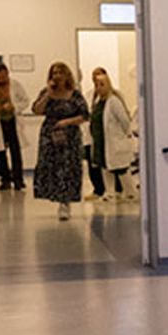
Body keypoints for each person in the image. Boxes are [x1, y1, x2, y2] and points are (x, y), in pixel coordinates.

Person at [31, 62, 88, 221]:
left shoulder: (75, 95)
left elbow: (84, 115)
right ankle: (55, 196)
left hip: (70, 136)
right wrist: (48, 94)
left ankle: (65, 203)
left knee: (68, 168)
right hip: (49, 136)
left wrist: (67, 122)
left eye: (60, 72)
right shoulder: (46, 92)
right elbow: (37, 110)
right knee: (51, 167)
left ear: (66, 75)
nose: (57, 76)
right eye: (54, 73)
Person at [89, 67, 137, 201]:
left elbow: (125, 121)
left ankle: (131, 193)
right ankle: (110, 193)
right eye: (96, 85)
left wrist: (123, 135)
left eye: (102, 85)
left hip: (114, 140)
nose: (99, 88)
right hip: (101, 140)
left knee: (121, 168)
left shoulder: (114, 101)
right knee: (105, 166)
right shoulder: (98, 102)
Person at [0, 63, 29, 191]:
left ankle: (18, 180)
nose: (1, 79)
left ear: (7, 73)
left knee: (15, 152)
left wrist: (14, 106)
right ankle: (5, 179)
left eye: (3, 76)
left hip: (12, 122)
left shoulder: (16, 85)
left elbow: (25, 100)